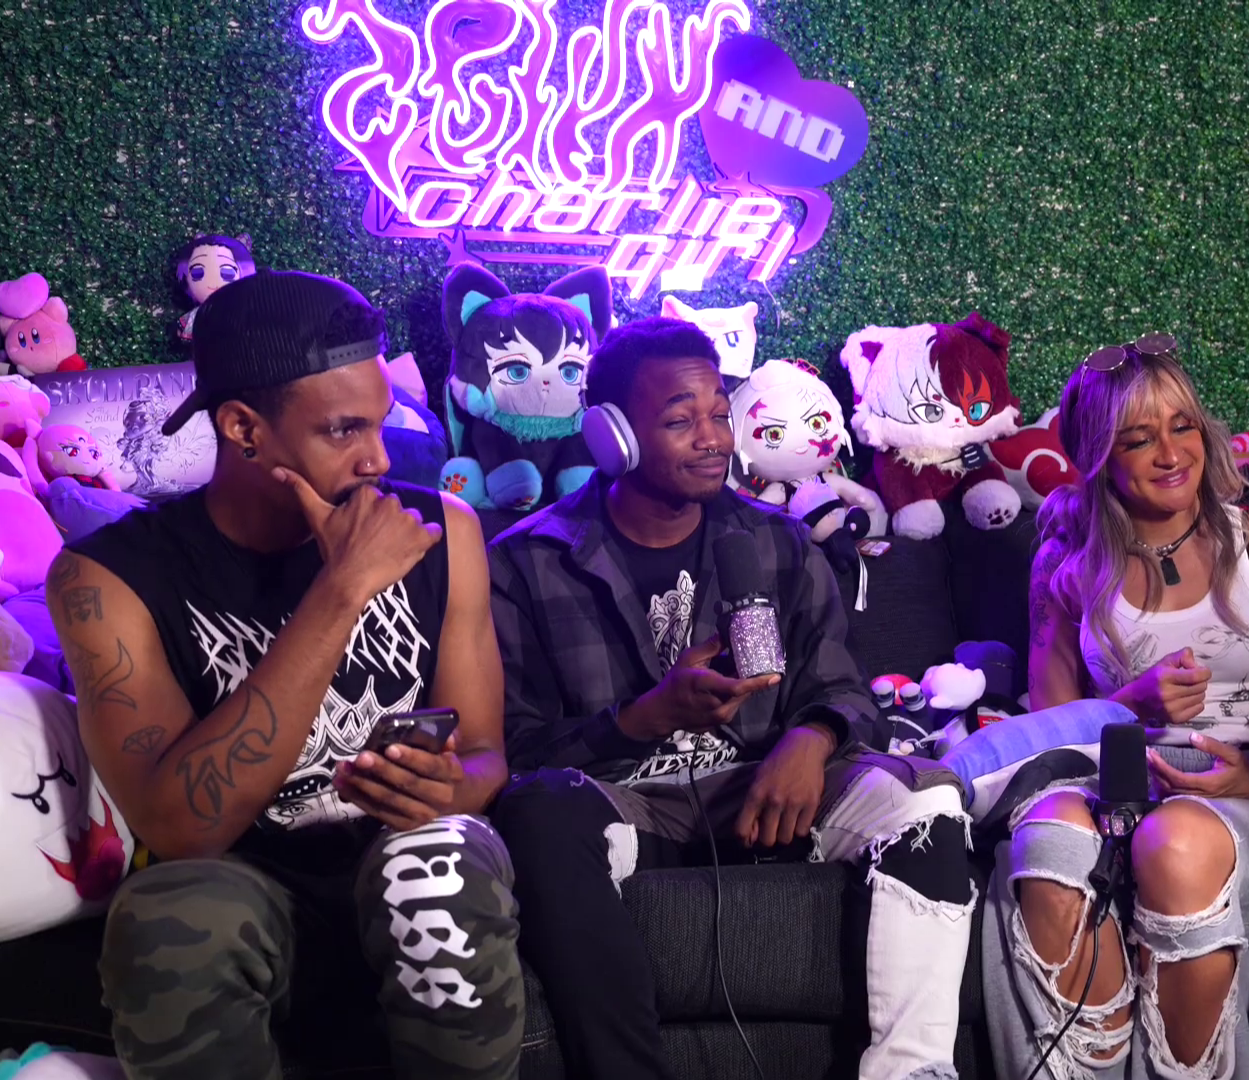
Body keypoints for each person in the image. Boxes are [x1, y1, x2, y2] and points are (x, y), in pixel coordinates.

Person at [48, 270, 523, 1080]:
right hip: (248, 887)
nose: (378, 458)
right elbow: (181, 830)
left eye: (379, 422)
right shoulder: (108, 577)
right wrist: (340, 592)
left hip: (409, 860)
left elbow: (484, 754)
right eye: (343, 430)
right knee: (168, 915)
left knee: (433, 871)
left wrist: (450, 788)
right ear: (243, 428)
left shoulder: (442, 529)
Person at [487, 316, 976, 1080]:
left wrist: (809, 739)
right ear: (612, 436)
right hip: (624, 803)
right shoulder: (527, 563)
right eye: (681, 420)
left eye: (719, 413)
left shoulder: (777, 541)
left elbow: (842, 688)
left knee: (929, 800)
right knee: (537, 811)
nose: (713, 438)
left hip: (769, 795)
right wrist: (641, 719)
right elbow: (512, 749)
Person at [985, 336, 1249, 1080]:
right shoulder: (1066, 563)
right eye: (1138, 439)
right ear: (1098, 455)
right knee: (1049, 832)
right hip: (1119, 786)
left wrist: (1248, 780)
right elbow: (1049, 741)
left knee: (1175, 839)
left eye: (1182, 426)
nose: (1170, 454)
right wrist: (1127, 705)